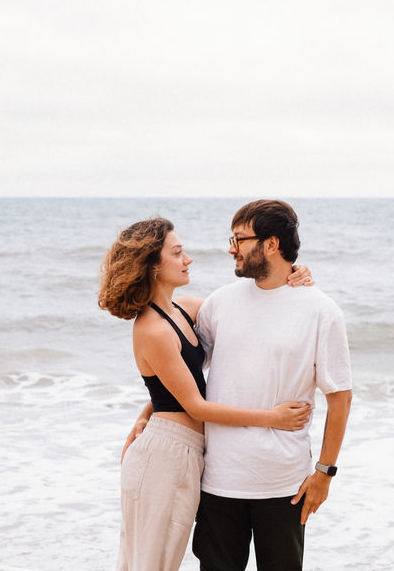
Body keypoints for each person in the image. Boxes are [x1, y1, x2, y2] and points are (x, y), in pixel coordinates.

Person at [98, 216, 315, 571]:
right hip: (165, 455)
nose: (188, 259)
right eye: (177, 253)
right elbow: (196, 406)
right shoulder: (151, 329)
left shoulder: (185, 308)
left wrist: (293, 274)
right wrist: (271, 418)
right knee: (149, 564)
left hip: (187, 452)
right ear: (152, 266)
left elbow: (246, 311)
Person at [191, 199, 352, 571]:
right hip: (219, 478)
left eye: (239, 239)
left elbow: (340, 397)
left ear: (271, 244)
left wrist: (325, 473)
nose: (231, 248)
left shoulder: (321, 310)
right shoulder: (219, 302)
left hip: (284, 484)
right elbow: (184, 369)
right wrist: (149, 410)